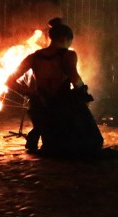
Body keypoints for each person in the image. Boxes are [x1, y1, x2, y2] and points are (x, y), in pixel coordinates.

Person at [6, 18, 103, 157]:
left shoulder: (34, 57)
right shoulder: (68, 55)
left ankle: (38, 132)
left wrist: (31, 93)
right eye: (70, 41)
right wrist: (82, 94)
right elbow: (75, 77)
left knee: (55, 142)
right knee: (93, 141)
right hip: (61, 105)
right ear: (66, 38)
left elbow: (10, 81)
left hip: (41, 105)